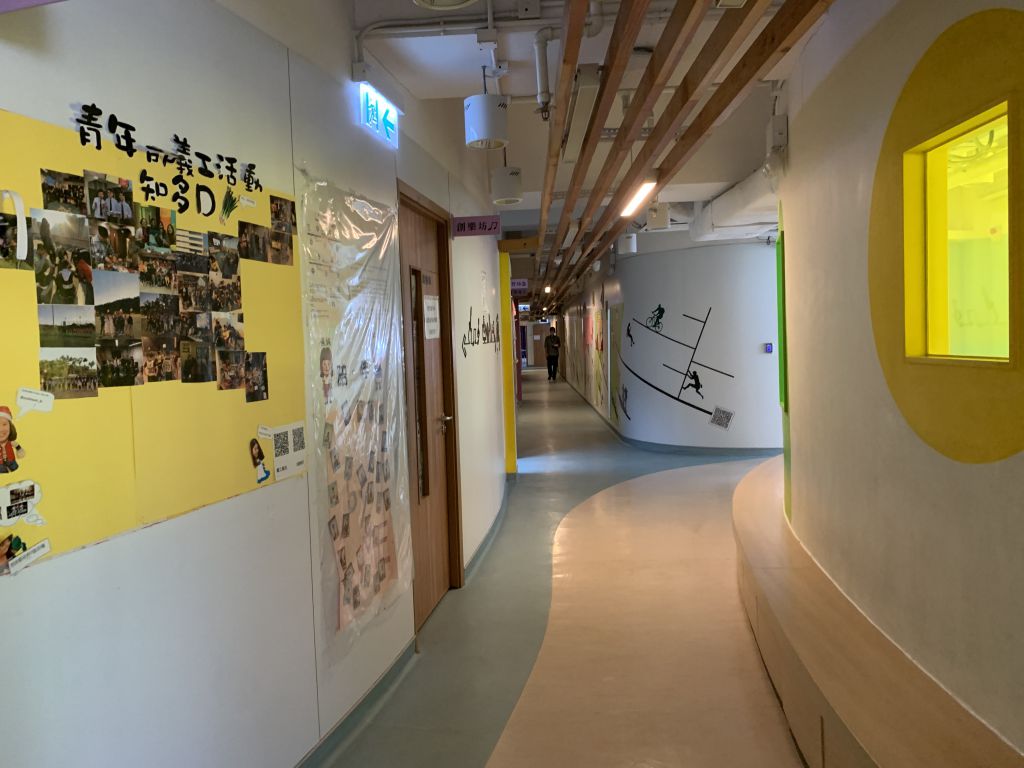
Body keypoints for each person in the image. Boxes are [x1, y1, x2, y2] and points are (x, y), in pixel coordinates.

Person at [0, 406, 25, 473]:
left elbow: (17, 446)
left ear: (10, 426)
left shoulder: (11, 442)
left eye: (4, 424)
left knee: (15, 468)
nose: (1, 429)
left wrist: (19, 450)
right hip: (0, 464)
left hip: (11, 460)